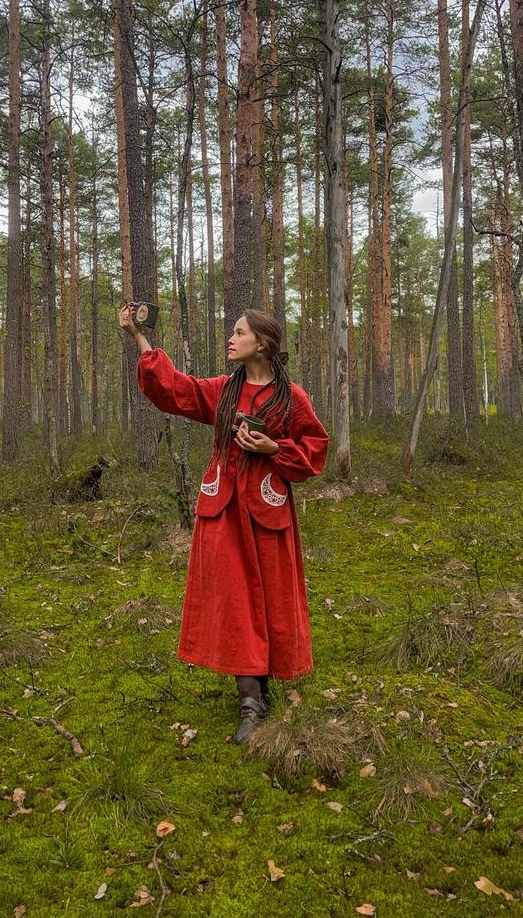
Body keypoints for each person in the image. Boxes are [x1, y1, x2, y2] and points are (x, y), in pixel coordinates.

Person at [118, 304, 329, 743]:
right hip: (225, 513)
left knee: (269, 598)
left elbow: (315, 452)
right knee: (234, 601)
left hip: (268, 513)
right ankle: (250, 700)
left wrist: (274, 447)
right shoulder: (222, 392)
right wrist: (140, 337)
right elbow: (175, 390)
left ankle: (265, 685)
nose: (230, 339)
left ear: (263, 344)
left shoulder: (292, 399)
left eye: (238, 332)